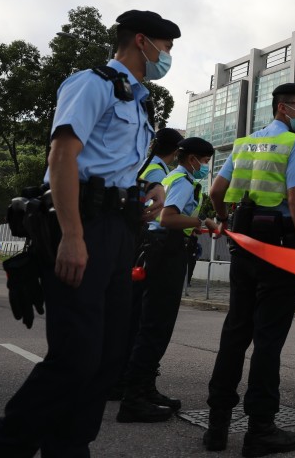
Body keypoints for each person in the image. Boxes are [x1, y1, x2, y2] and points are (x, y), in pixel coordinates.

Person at [0, 10, 176, 457]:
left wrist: (150, 186)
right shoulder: (92, 83)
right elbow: (62, 157)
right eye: (166, 48)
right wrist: (72, 236)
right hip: (82, 226)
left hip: (119, 229)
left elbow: (114, 164)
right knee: (75, 358)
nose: (167, 58)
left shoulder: (139, 98)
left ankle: (69, 450)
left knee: (107, 360)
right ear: (142, 41)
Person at [204, 83, 295, 455]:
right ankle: (260, 429)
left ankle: (217, 426)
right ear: (283, 109)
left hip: (244, 245)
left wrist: (224, 221)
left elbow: (215, 192)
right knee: (268, 340)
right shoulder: (293, 144)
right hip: (280, 249)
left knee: (236, 333)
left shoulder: (244, 144)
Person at [118, 137, 218, 423]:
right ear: (193, 159)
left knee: (153, 324)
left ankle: (144, 388)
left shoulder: (173, 175)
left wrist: (192, 227)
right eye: (206, 161)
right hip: (166, 253)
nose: (206, 168)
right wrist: (202, 222)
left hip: (161, 250)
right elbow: (168, 218)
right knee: (156, 326)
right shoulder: (185, 180)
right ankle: (134, 398)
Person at [111, 126, 185, 402]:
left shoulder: (150, 166)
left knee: (131, 315)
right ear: (177, 152)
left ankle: (118, 378)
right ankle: (129, 381)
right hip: (148, 246)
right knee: (144, 318)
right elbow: (156, 215)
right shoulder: (157, 173)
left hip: (135, 244)